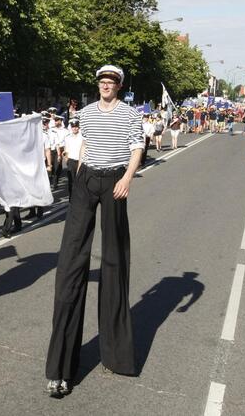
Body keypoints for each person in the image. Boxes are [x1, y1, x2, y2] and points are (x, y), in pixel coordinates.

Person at [45, 65, 144, 397]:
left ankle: (116, 354)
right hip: (87, 179)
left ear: (118, 86)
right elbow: (84, 145)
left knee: (114, 261)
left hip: (115, 180)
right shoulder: (86, 113)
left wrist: (127, 179)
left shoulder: (130, 114)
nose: (106, 85)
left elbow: (137, 148)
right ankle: (60, 367)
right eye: (102, 81)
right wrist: (79, 174)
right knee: (71, 261)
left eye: (111, 82)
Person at [62, 120, 83, 198]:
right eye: (73, 127)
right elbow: (66, 150)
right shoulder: (67, 138)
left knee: (81, 180)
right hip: (71, 161)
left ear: (78, 127)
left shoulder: (82, 137)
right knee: (71, 180)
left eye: (76, 127)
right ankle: (71, 198)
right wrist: (66, 160)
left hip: (80, 161)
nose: (75, 128)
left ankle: (80, 197)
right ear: (71, 127)